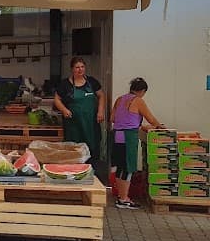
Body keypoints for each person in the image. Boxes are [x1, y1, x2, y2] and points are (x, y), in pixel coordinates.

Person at [110, 77, 165, 209]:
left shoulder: (119, 99)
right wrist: (160, 127)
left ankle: (120, 196)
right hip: (129, 137)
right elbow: (150, 119)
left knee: (120, 167)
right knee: (128, 168)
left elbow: (112, 118)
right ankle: (124, 199)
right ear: (142, 91)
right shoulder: (138, 101)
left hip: (117, 135)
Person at [54, 56, 106, 164]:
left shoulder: (92, 82)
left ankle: (93, 171)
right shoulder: (65, 84)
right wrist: (64, 110)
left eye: (82, 67)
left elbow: (101, 95)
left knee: (93, 146)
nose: (80, 69)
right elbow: (57, 99)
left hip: (91, 122)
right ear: (72, 69)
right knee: (74, 148)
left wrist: (100, 111)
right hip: (73, 124)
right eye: (77, 67)